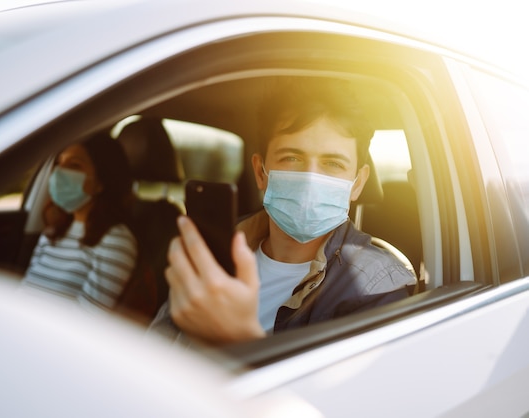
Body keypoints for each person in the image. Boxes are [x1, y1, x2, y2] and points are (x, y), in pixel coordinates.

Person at [150, 78, 417, 345]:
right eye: (291, 158)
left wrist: (239, 339)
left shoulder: (376, 287)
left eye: (333, 164)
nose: (310, 178)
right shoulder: (214, 251)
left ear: (357, 183)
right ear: (260, 172)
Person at [22, 132, 139, 314]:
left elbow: (86, 322)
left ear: (101, 182)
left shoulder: (116, 241)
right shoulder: (53, 231)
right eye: (59, 163)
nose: (59, 172)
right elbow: (23, 293)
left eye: (74, 165)